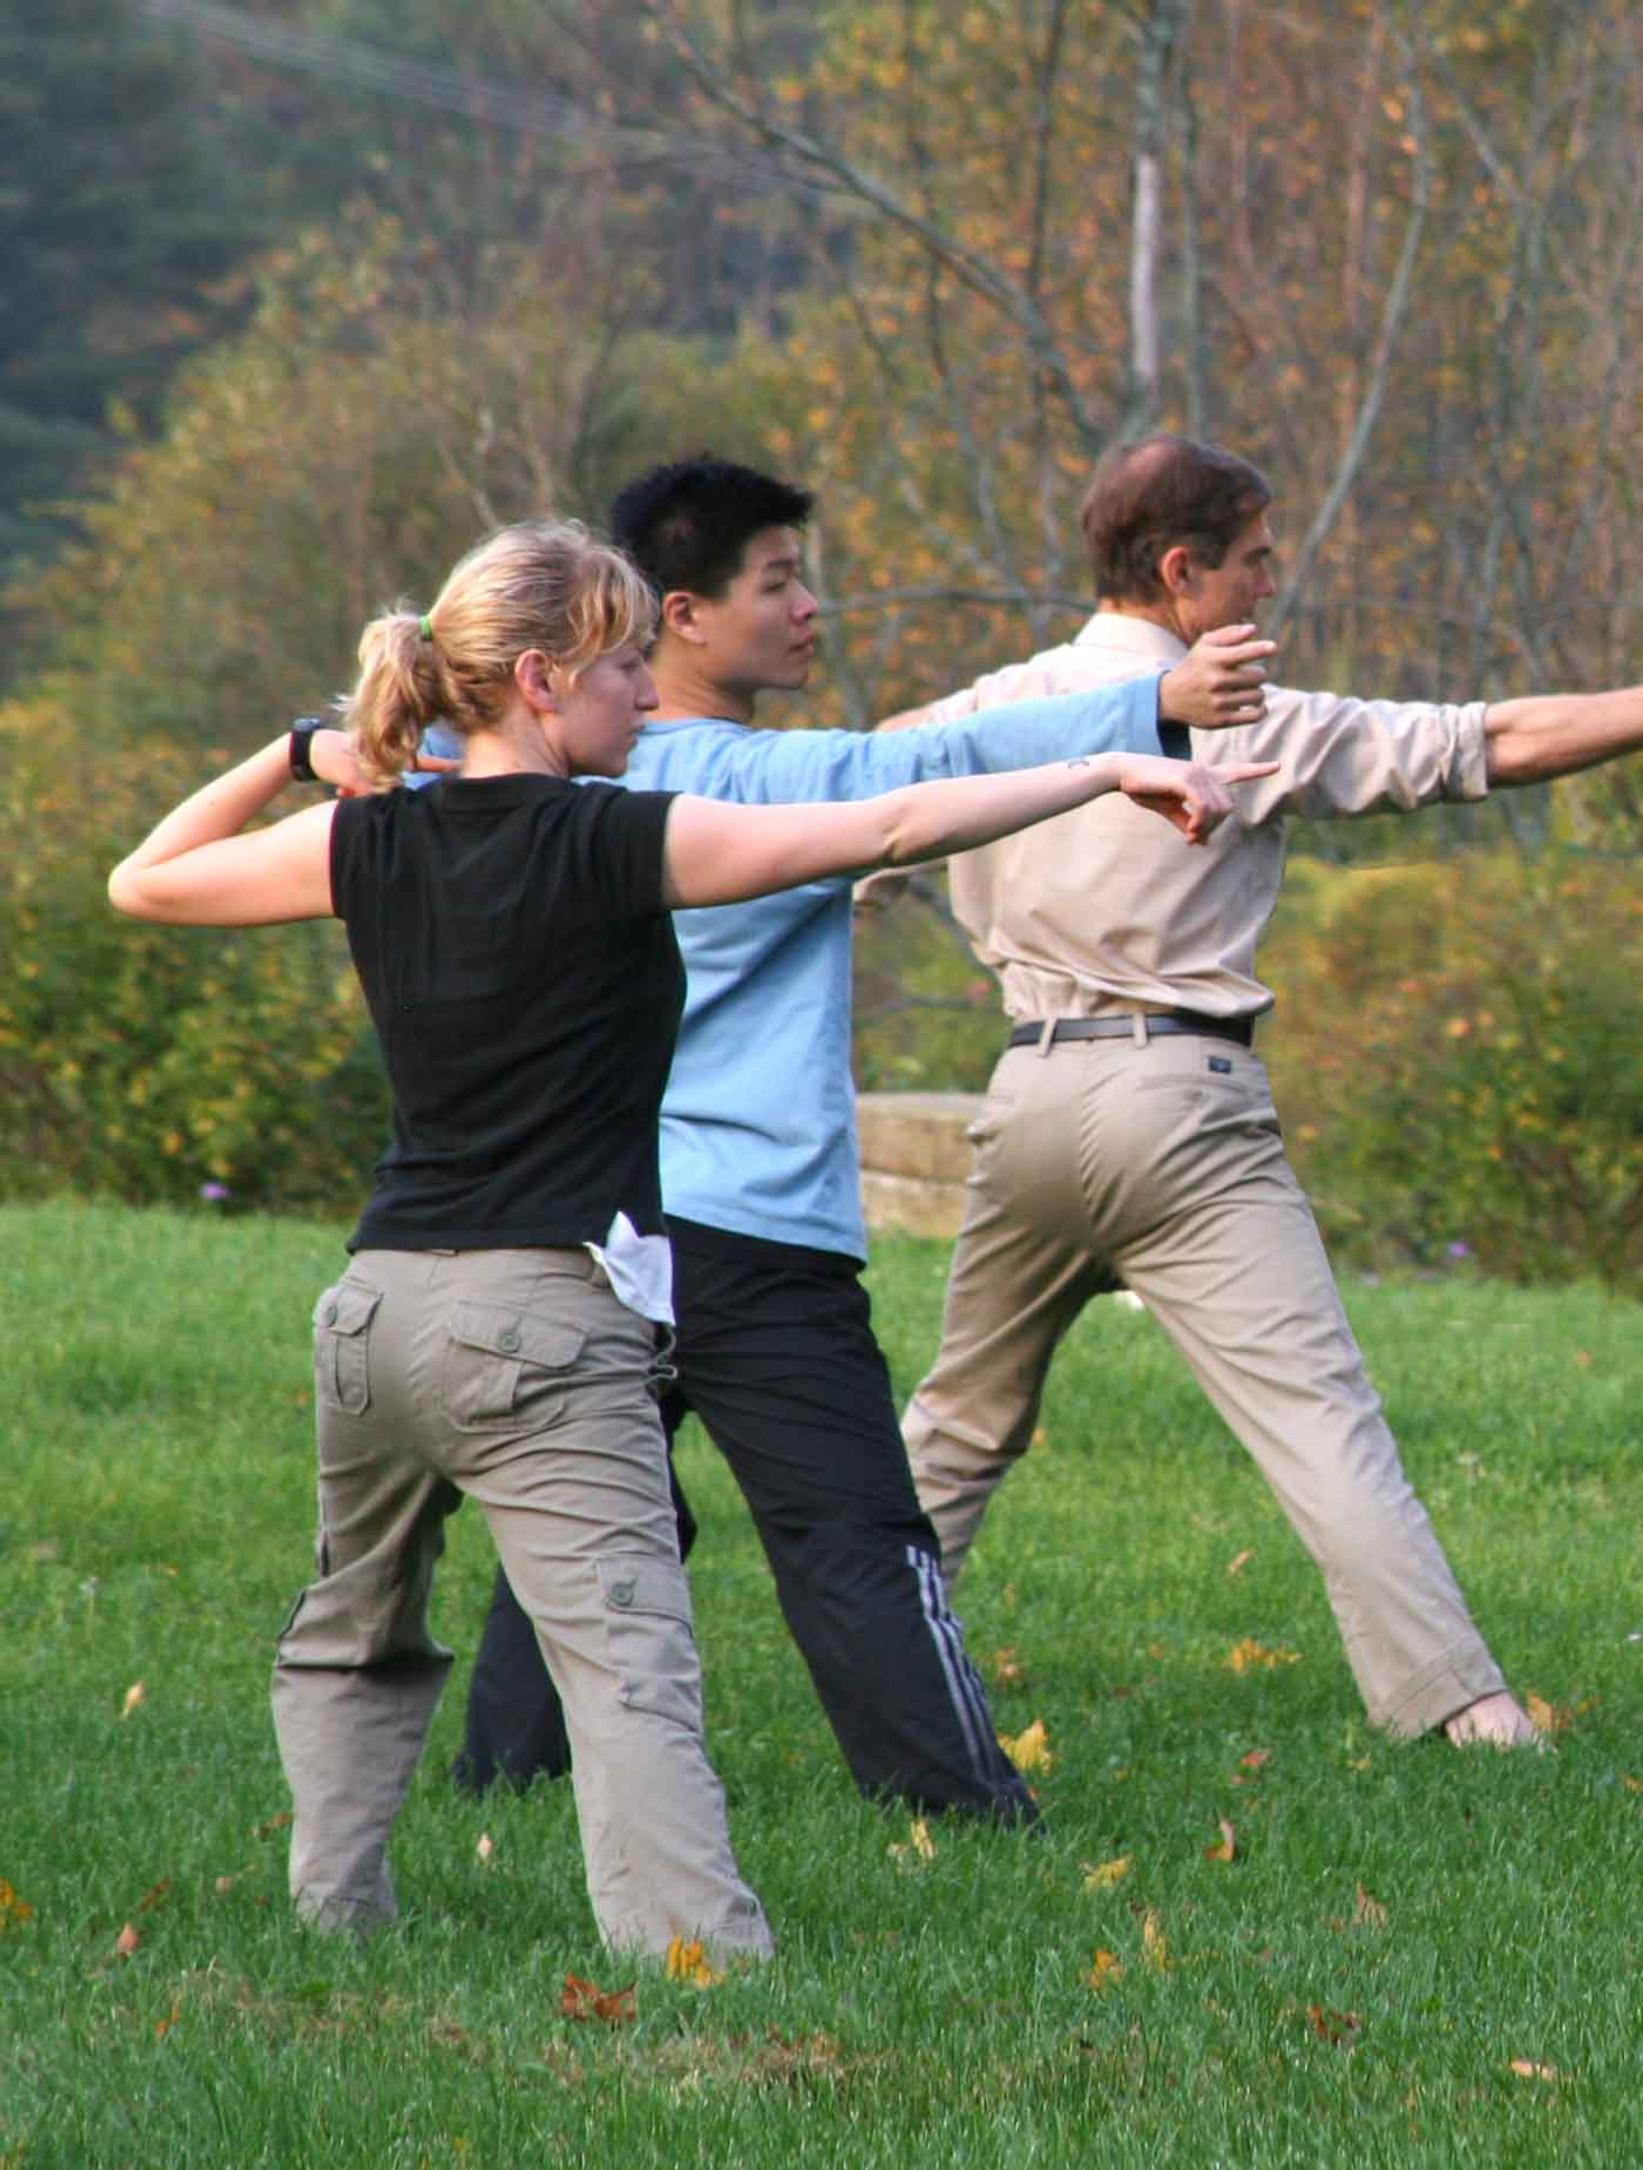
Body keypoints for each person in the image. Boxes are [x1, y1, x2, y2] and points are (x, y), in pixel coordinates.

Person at [107, 520, 1254, 1956]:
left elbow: (143, 880)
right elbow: (891, 823)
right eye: (624, 666)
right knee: (630, 1663)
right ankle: (701, 1965)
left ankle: (334, 1918)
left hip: (373, 1314)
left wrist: (296, 752)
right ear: (538, 679)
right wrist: (1105, 767)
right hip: (539, 1321)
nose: (648, 696)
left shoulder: (372, 833)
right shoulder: (612, 841)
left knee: (353, 1630)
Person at [889, 434, 1643, 1747]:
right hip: (1184, 1107)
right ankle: (1470, 1718)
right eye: (1253, 563)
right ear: (1181, 572)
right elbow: (1491, 742)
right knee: (1320, 1423)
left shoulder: (972, 720)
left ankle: (871, 1666)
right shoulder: (1241, 721)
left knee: (956, 1422)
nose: (1269, 588)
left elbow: (811, 829)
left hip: (1026, 1104)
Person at [423, 457, 1275, 1823]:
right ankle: (957, 1807)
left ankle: (505, 1787)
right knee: (857, 1533)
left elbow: (395, 749)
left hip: (603, 1223)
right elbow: (911, 771)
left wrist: (319, 743)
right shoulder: (743, 781)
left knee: (592, 1519)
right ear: (679, 616)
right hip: (752, 1231)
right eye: (780, 581)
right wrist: (1144, 711)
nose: (812, 607)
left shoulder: (506, 785)